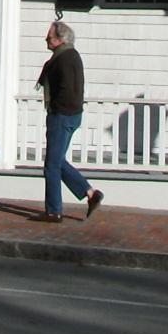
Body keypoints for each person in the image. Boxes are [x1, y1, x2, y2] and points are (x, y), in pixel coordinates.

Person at [36, 19, 102, 222]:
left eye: (50, 36)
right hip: (71, 115)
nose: (46, 39)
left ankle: (54, 211)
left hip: (62, 116)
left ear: (60, 39)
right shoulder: (69, 55)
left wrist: (56, 109)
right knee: (57, 161)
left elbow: (67, 88)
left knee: (52, 165)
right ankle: (90, 193)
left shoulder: (64, 59)